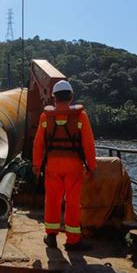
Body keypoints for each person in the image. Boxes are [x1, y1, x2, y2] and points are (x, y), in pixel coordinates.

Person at [32, 80, 96, 251]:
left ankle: (51, 236)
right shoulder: (81, 116)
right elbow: (89, 143)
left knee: (52, 199)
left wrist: (37, 165)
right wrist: (92, 166)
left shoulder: (45, 117)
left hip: (52, 166)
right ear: (71, 97)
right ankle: (73, 240)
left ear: (54, 98)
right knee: (73, 202)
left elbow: (38, 143)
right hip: (74, 167)